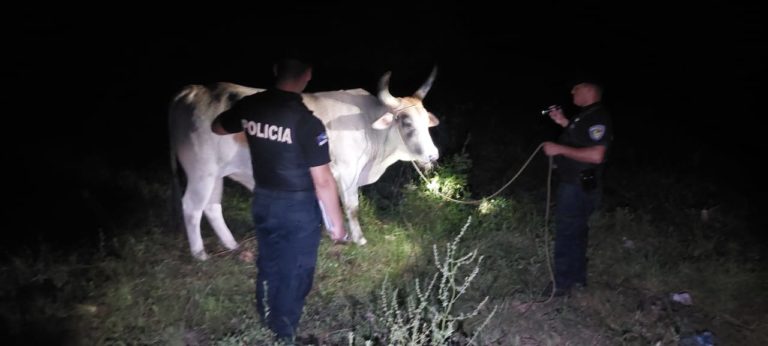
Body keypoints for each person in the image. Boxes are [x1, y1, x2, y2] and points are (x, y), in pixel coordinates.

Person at [211, 58, 347, 342]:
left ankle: (265, 312)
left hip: (263, 198)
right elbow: (322, 180)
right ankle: (283, 332)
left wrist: (251, 126)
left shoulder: (252, 105)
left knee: (270, 260)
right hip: (297, 207)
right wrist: (337, 224)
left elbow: (218, 127)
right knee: (296, 270)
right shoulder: (307, 122)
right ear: (308, 74)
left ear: (275, 70)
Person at [542, 81, 613, 297]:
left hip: (578, 186)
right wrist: (563, 121)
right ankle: (577, 279)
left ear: (589, 90)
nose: (572, 91)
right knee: (578, 231)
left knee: (567, 232)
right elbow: (581, 138)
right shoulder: (586, 115)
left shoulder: (598, 117)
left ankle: (561, 285)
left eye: (577, 88)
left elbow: (596, 155)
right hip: (578, 184)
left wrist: (558, 148)